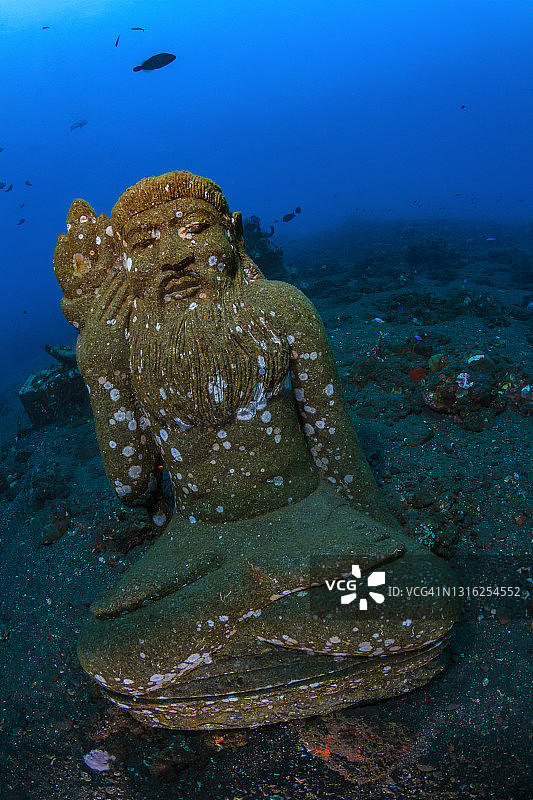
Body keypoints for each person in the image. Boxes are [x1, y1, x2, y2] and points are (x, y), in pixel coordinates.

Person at [54, 170, 459, 730]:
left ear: (232, 232)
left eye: (193, 229)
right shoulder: (123, 348)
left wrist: (383, 535)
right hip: (199, 540)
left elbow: (335, 446)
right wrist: (99, 370)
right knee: (105, 651)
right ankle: (273, 608)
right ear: (127, 263)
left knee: (428, 594)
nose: (173, 255)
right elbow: (133, 487)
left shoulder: (282, 310)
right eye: (147, 244)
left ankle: (224, 638)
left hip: (310, 517)